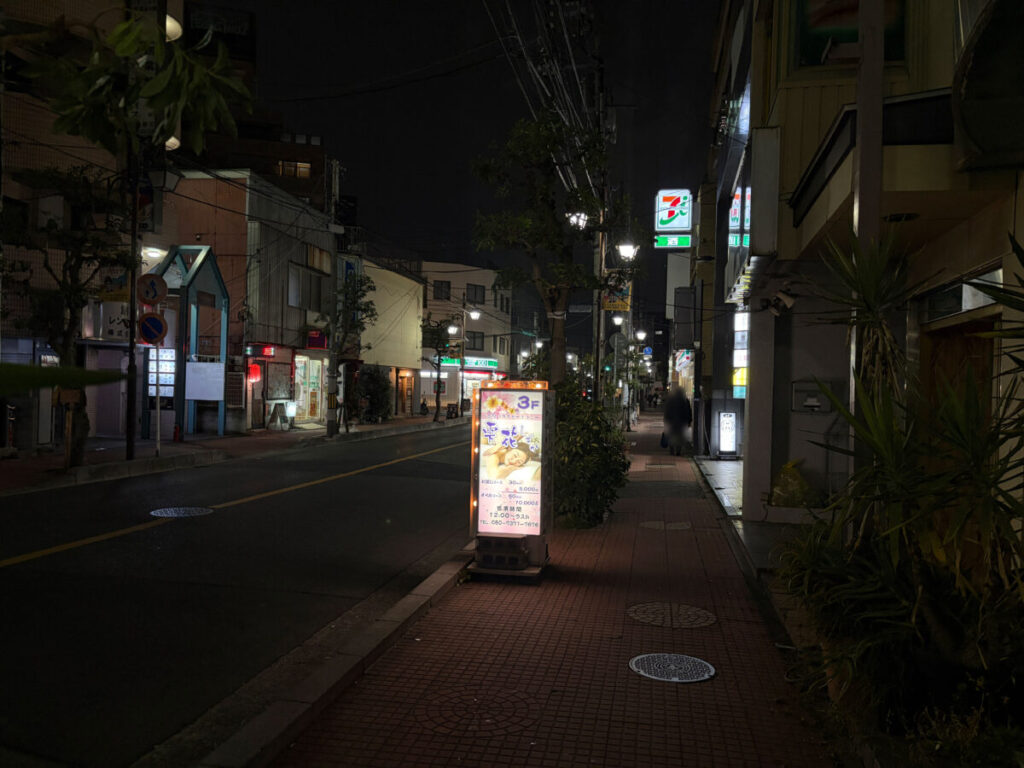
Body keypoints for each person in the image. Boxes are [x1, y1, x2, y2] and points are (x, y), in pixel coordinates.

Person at [663, 384, 692, 456]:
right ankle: (678, 450)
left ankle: (672, 449)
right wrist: (689, 421)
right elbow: (688, 411)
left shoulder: (670, 400)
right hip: (682, 421)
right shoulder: (685, 400)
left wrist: (666, 420)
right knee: (680, 436)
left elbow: (667, 410)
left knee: (671, 435)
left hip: (672, 421)